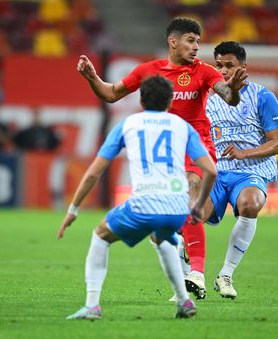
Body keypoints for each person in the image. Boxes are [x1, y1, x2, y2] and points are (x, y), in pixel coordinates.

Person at [77, 17, 247, 299]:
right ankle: (184, 281)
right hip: (166, 150)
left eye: (197, 41)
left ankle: (197, 274)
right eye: (191, 40)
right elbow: (111, 94)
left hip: (197, 144)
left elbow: (227, 94)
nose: (196, 46)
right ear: (173, 42)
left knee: (192, 190)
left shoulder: (204, 72)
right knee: (171, 216)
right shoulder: (150, 70)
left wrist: (235, 90)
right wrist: (91, 77)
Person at [57, 75, 217, 319]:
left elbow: (93, 173)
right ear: (170, 100)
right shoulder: (182, 126)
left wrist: (73, 209)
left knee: (100, 236)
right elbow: (211, 170)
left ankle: (91, 306)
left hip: (145, 203)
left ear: (141, 99)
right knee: (163, 238)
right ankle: (184, 301)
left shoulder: (127, 125)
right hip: (176, 207)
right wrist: (196, 206)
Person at [201, 41, 278, 299]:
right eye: (219, 66)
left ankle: (225, 275)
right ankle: (189, 279)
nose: (223, 71)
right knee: (190, 215)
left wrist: (244, 152)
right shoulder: (209, 101)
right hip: (217, 172)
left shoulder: (263, 97)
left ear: (243, 68)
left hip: (251, 171)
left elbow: (277, 143)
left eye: (229, 65)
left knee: (250, 204)